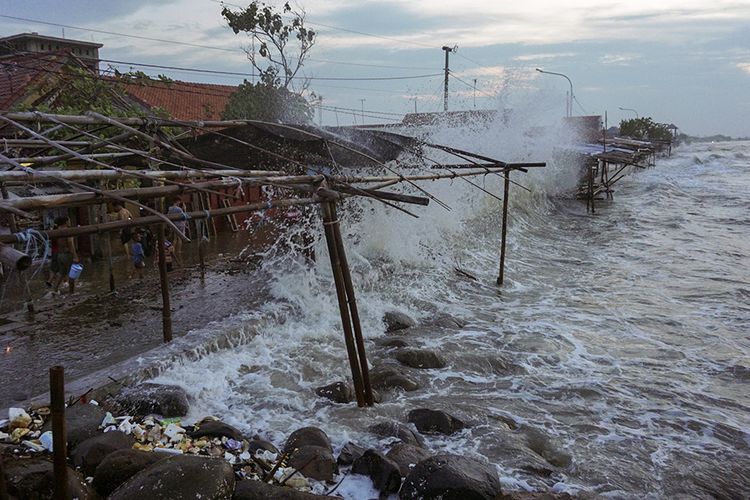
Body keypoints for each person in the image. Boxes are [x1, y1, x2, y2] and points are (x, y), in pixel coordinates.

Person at [50, 216, 79, 294]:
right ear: (66, 222)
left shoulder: (55, 231)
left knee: (61, 273)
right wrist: (75, 256)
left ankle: (55, 290)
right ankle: (71, 292)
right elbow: (70, 244)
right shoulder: (67, 231)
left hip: (60, 255)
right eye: (69, 220)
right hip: (67, 254)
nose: (69, 222)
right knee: (72, 274)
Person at [167, 198, 187, 266]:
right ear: (177, 201)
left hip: (174, 224)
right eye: (179, 202)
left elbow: (168, 215)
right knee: (180, 238)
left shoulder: (170, 209)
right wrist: (184, 209)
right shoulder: (179, 209)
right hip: (180, 224)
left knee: (175, 238)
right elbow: (184, 216)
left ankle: (173, 250)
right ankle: (179, 251)